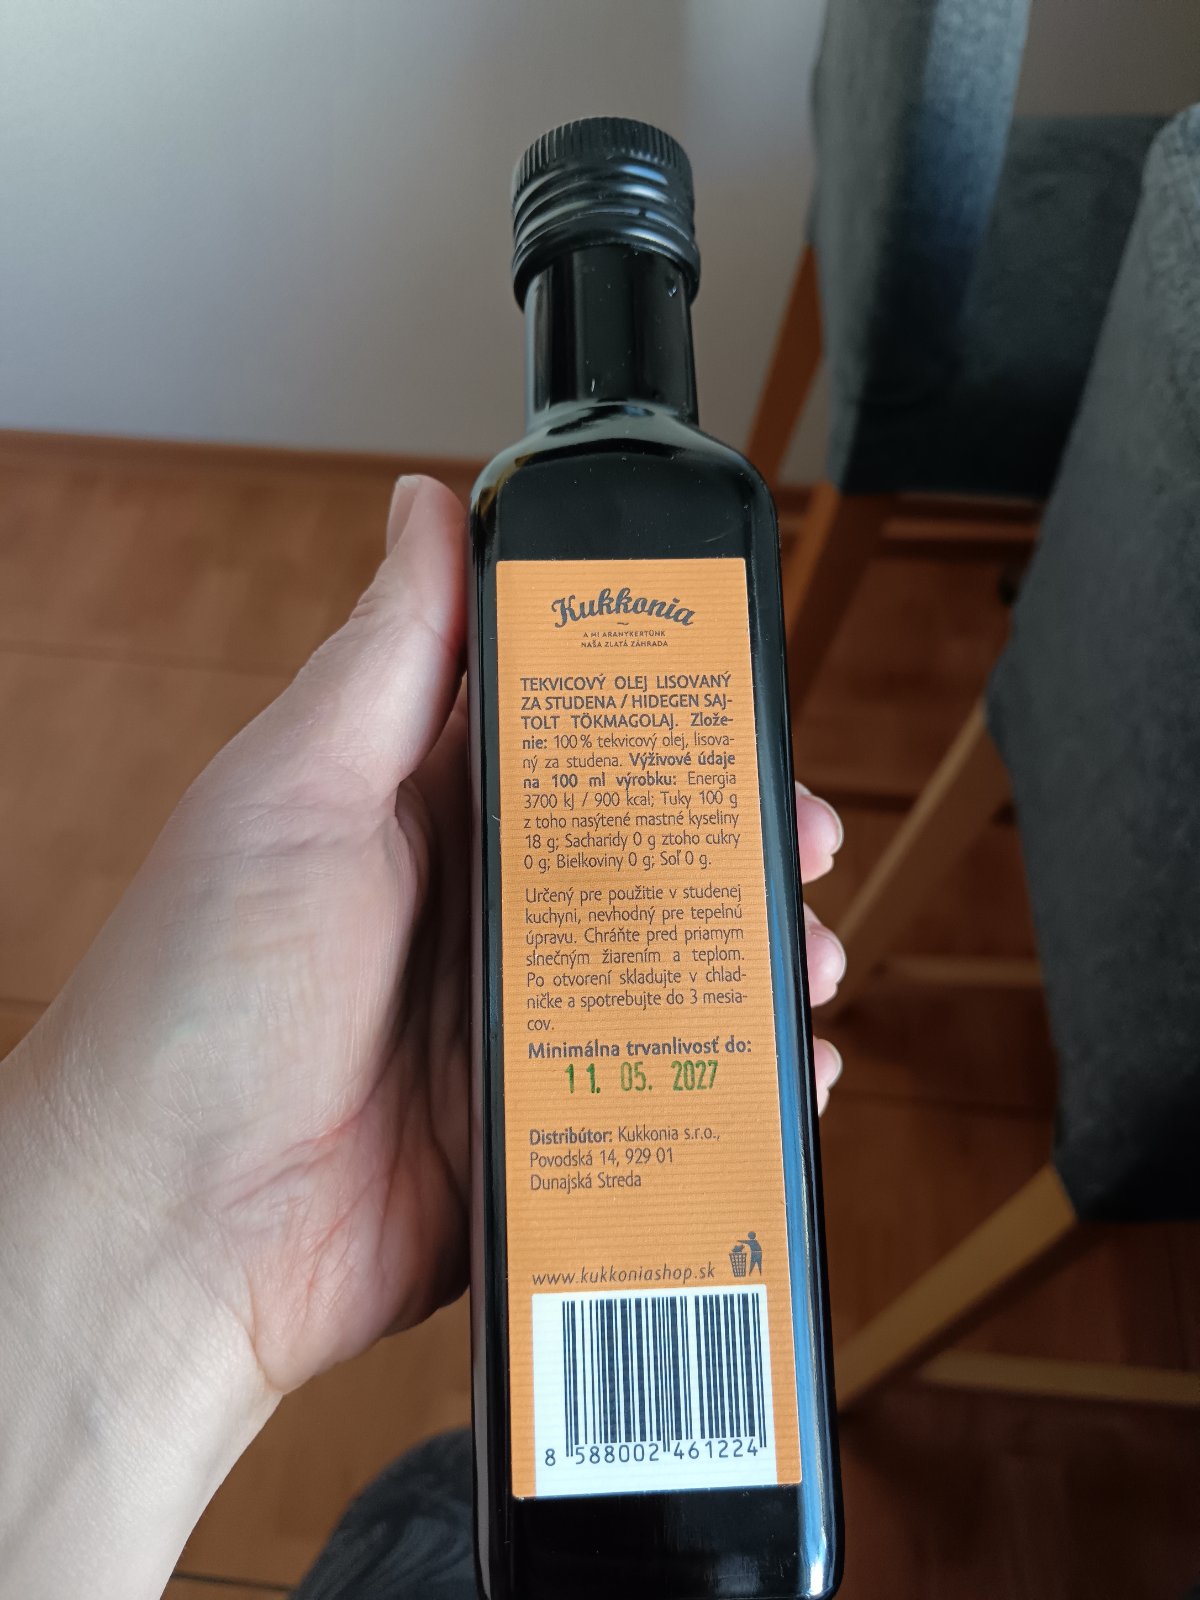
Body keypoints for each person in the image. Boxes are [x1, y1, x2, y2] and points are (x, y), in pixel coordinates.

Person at [0, 479, 847, 1599]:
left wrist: (162, 1252)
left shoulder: (648, 499)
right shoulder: (615, 501)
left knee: (442, 1495)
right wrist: (171, 1241)